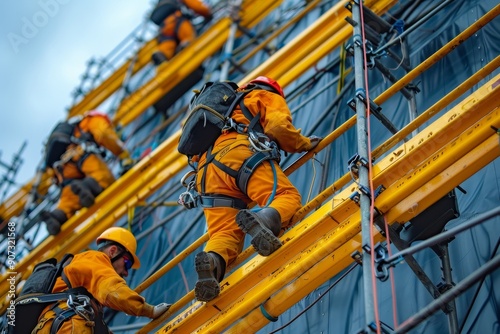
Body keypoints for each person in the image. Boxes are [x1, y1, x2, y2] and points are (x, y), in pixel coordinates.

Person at [193, 76, 321, 302]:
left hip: (206, 174)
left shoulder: (218, 113)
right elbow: (279, 127)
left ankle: (212, 263)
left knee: (223, 232)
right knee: (286, 196)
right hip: (239, 155)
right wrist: (302, 143)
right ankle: (263, 221)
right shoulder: (261, 95)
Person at [33, 227, 171, 333]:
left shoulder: (85, 289)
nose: (126, 272)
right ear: (112, 252)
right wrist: (149, 310)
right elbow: (112, 290)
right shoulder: (97, 259)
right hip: (67, 325)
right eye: (127, 263)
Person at [41, 110, 134, 235]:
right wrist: (123, 155)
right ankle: (88, 187)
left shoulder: (69, 129)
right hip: (80, 153)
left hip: (61, 167)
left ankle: (58, 216)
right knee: (103, 178)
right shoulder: (92, 119)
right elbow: (103, 133)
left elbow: (53, 175)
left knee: (69, 197)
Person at [150, 0, 212, 65]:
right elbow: (196, 6)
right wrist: (207, 12)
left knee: (168, 44)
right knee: (187, 37)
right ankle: (185, 45)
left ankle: (162, 53)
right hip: (178, 20)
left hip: (164, 28)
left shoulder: (161, 3)